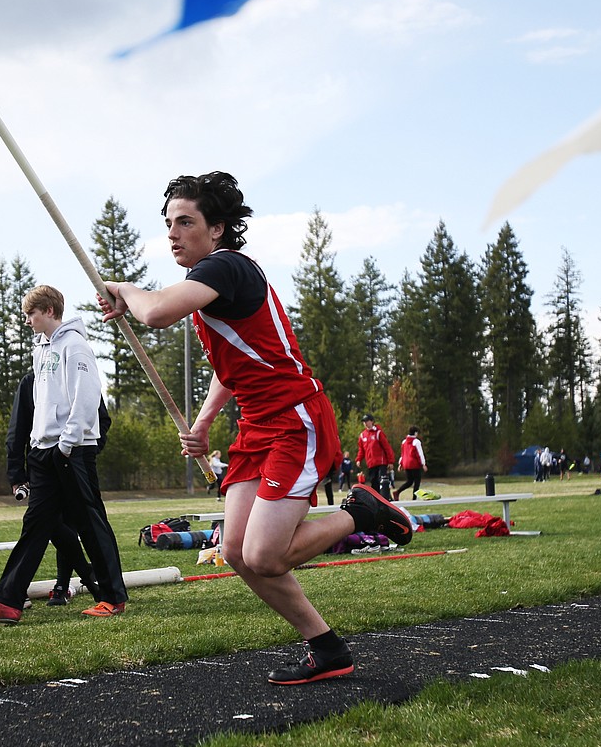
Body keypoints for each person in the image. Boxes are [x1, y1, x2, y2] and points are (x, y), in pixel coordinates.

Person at [98, 171, 412, 685]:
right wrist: (202, 423)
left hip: (295, 419)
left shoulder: (227, 268)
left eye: (185, 222)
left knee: (265, 554)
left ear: (217, 228)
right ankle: (326, 648)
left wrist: (123, 289)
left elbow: (154, 313)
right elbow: (233, 367)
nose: (173, 233)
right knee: (237, 553)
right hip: (257, 427)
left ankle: (360, 510)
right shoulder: (211, 284)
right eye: (169, 224)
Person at [0, 286, 128, 624]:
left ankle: (113, 597)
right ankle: (7, 602)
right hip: (42, 452)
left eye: (31, 314)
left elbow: (86, 398)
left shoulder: (75, 345)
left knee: (89, 522)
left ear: (50, 310)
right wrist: (37, 445)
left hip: (71, 450)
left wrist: (67, 444)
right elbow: (41, 404)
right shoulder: (40, 350)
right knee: (35, 525)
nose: (27, 320)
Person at [5, 370, 105, 607]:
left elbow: (102, 421)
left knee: (74, 524)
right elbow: (17, 429)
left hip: (75, 464)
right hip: (42, 467)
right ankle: (85, 578)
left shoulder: (81, 376)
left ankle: (65, 585)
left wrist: (85, 454)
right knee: (48, 525)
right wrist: (17, 474)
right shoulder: (31, 381)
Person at [356, 414, 395, 500]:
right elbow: (361, 449)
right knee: (374, 483)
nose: (365, 423)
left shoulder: (378, 433)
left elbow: (387, 447)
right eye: (364, 422)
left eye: (367, 421)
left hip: (381, 462)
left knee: (382, 481)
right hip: (371, 463)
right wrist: (359, 459)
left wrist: (390, 461)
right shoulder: (362, 435)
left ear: (372, 421)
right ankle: (377, 500)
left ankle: (387, 499)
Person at [394, 426, 427, 501]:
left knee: (409, 481)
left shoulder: (404, 442)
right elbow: (420, 454)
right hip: (414, 464)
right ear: (415, 433)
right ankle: (414, 498)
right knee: (417, 481)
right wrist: (423, 464)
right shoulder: (416, 442)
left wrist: (400, 464)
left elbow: (402, 454)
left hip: (406, 464)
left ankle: (397, 492)